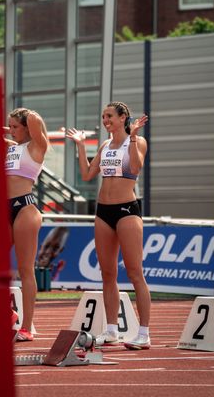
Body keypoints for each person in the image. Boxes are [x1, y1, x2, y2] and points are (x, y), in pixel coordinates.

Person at [66, 101, 151, 350]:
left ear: (123, 117)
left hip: (127, 210)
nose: (105, 121)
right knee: (107, 274)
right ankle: (112, 330)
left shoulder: (137, 141)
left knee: (135, 272)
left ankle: (144, 332)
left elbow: (135, 168)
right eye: (103, 116)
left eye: (110, 116)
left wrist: (134, 138)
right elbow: (87, 175)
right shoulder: (104, 145)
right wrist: (81, 147)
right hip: (103, 212)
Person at [5, 107, 49, 341]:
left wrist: (28, 115)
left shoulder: (36, 146)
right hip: (4, 208)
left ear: (25, 128)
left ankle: (27, 327)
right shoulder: (12, 147)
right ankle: (8, 314)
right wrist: (10, 127)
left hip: (25, 208)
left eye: (15, 127)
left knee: (25, 269)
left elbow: (34, 122)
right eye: (9, 127)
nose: (11, 131)